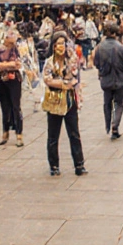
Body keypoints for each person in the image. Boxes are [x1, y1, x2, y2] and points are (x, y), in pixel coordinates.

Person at [42, 33, 86, 176]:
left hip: (69, 100)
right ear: (53, 46)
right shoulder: (49, 61)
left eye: (63, 43)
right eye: (58, 44)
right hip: (54, 101)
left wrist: (63, 82)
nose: (61, 47)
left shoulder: (71, 59)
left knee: (74, 133)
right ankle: (54, 165)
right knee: (53, 135)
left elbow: (74, 78)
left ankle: (79, 164)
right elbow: (47, 79)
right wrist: (63, 84)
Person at [93, 21, 123, 140]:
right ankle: (115, 125)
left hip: (106, 79)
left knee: (107, 103)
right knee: (119, 103)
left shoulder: (99, 48)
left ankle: (108, 125)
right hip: (120, 79)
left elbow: (96, 63)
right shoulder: (122, 48)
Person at [0, 32, 24, 147]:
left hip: (15, 80)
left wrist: (4, 65)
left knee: (16, 107)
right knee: (4, 107)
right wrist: (8, 65)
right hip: (3, 80)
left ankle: (19, 134)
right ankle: (5, 133)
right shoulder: (0, 49)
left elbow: (18, 64)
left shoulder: (17, 49)